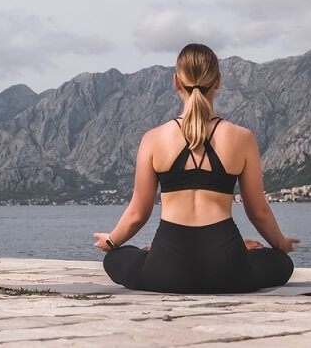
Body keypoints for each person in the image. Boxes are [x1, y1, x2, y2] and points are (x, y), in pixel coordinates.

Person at [93, 43, 299, 294]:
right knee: (281, 263)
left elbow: (138, 214)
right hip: (227, 271)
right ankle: (240, 249)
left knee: (116, 257)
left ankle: (154, 253)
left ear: (176, 82)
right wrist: (281, 243)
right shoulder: (242, 138)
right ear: (218, 81)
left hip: (166, 271)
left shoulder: (154, 139)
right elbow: (258, 212)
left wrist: (111, 241)